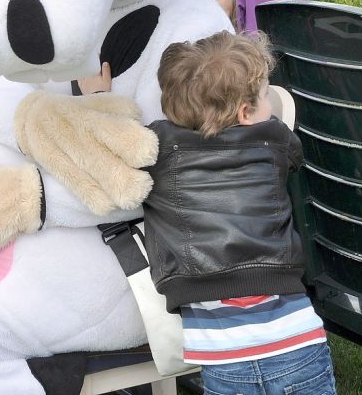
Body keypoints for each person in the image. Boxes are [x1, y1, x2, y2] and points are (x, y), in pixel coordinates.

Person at [142, 31, 335, 394]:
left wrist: (100, 97)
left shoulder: (159, 150)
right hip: (295, 342)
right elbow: (294, 156)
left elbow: (121, 150)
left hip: (220, 357)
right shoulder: (273, 139)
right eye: (265, 96)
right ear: (247, 113)